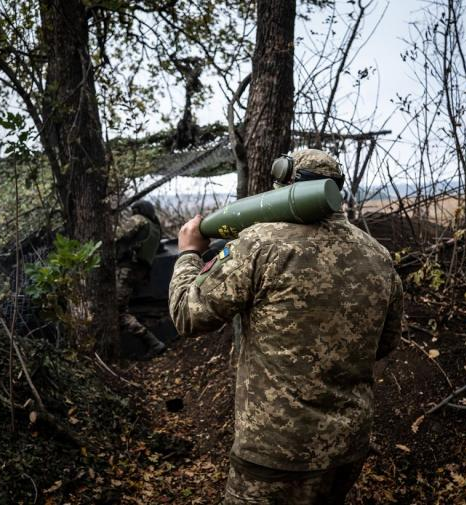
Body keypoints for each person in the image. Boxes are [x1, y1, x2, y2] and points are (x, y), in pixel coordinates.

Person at [168, 148, 403, 504]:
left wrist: (188, 252)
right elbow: (384, 343)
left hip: (275, 450)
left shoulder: (261, 244)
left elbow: (188, 313)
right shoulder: (378, 256)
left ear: (284, 188)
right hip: (346, 449)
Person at [116, 200, 166, 359]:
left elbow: (117, 235)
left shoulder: (139, 220)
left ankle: (153, 343)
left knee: (117, 312)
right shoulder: (155, 227)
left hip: (126, 269)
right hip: (139, 272)